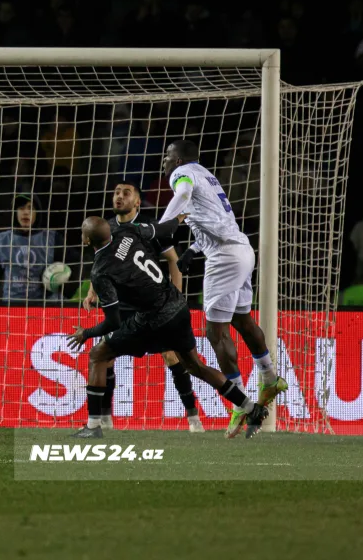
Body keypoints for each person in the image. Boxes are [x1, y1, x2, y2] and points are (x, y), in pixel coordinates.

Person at [67, 217, 269, 439]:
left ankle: (93, 425)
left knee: (98, 354)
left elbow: (113, 322)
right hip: (177, 304)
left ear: (86, 240)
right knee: (195, 366)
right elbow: (165, 229)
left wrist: (86, 333)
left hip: (152, 318)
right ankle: (252, 409)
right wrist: (179, 217)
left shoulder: (101, 270)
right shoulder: (126, 232)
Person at [160, 140, 287, 438]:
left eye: (167, 156)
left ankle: (240, 401)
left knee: (215, 332)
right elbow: (214, 218)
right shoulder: (207, 174)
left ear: (177, 160)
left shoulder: (181, 175)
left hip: (224, 257)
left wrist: (162, 225)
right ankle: (269, 376)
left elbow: (183, 193)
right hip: (241, 248)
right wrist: (193, 249)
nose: (164, 162)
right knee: (242, 320)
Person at [84, 181, 204, 432]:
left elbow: (173, 261)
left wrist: (177, 298)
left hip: (154, 304)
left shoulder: (148, 226)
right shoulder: (107, 227)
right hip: (121, 304)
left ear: (137, 201)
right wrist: (92, 291)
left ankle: (193, 417)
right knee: (106, 357)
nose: (119, 197)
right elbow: (101, 264)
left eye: (126, 193)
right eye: (116, 192)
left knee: (172, 355)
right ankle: (105, 419)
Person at [0, 194, 64, 302]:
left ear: (37, 213)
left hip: (45, 304)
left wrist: (63, 290)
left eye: (30, 208)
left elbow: (76, 264)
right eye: (21, 208)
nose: (26, 212)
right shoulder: (3, 239)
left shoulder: (52, 238)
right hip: (12, 304)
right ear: (15, 213)